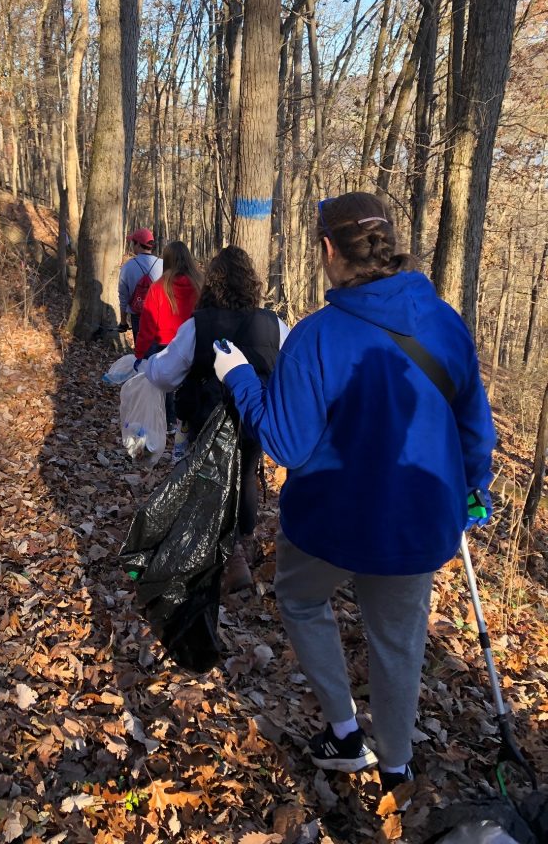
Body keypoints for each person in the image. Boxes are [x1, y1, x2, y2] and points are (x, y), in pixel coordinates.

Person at [213, 192, 495, 802]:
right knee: (398, 643)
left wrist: (239, 380)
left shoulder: (315, 337)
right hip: (417, 524)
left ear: (326, 249)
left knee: (299, 598)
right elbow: (474, 423)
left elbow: (286, 443)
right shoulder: (444, 321)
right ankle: (396, 768)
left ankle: (344, 732)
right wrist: (476, 485)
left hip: (330, 524)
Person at [142, 245, 290, 592]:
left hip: (206, 419)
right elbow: (291, 370)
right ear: (251, 282)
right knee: (247, 478)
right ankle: (245, 542)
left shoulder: (198, 326)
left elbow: (164, 375)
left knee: (209, 481)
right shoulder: (273, 325)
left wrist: (147, 364)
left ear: (213, 283)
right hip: (254, 417)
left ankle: (226, 553)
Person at [134, 241, 202, 432]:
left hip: (165, 344)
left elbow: (147, 325)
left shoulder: (158, 288)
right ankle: (188, 422)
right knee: (191, 382)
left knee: (166, 388)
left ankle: (170, 421)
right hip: (194, 344)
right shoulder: (200, 285)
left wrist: (140, 354)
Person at [118, 229, 163, 344]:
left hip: (138, 317)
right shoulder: (163, 264)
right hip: (160, 317)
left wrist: (123, 322)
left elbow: (123, 298)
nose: (132, 245)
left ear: (138, 244)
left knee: (142, 354)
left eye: (133, 242)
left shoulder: (127, 267)